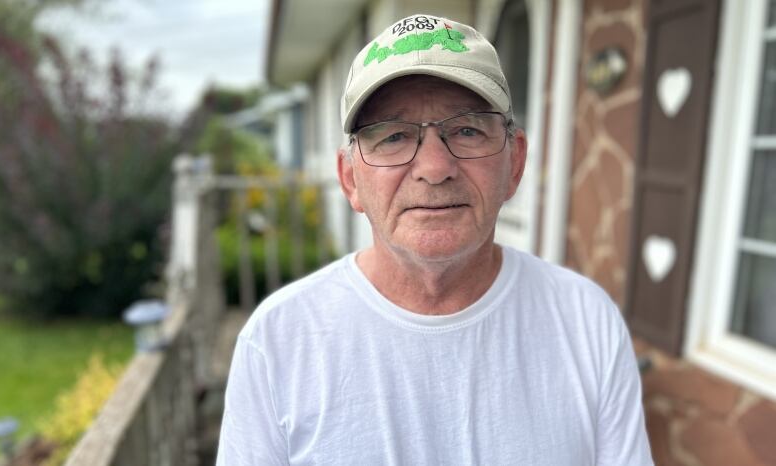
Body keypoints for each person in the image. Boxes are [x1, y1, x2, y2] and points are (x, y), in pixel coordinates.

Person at [217, 14, 653, 466]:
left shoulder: (587, 321)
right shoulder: (279, 341)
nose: (434, 167)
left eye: (467, 130)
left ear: (515, 164)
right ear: (350, 180)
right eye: (393, 136)